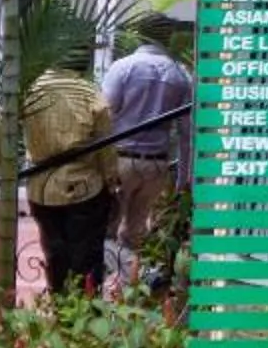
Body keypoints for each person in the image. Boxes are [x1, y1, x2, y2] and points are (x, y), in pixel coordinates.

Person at [18, 66, 117, 293]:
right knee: (86, 257)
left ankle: (60, 308)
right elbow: (106, 146)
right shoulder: (88, 91)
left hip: (41, 189)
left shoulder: (30, 90)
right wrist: (111, 181)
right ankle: (85, 315)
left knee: (55, 254)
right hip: (84, 189)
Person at [103, 20, 194, 262]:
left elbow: (104, 116)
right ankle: (126, 288)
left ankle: (102, 289)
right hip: (156, 166)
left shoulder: (123, 67)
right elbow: (187, 135)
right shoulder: (180, 74)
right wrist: (183, 180)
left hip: (120, 161)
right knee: (135, 234)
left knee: (105, 231)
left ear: (140, 38)